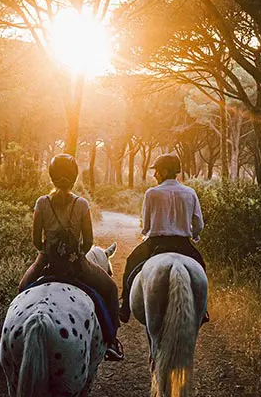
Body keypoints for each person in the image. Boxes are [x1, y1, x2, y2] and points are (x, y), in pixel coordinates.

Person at [17, 154, 125, 361]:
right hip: (77, 264)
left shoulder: (42, 202)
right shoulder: (82, 204)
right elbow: (88, 241)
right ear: (75, 177)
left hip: (46, 260)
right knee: (110, 288)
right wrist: (76, 255)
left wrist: (48, 252)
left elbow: (35, 241)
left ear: (51, 176)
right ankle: (111, 341)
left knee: (22, 289)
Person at [118, 153, 208, 324]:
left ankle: (125, 308)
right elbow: (199, 223)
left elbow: (146, 226)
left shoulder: (152, 193)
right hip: (183, 244)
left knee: (130, 263)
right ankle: (203, 310)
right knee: (201, 267)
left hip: (156, 244)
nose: (154, 175)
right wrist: (194, 235)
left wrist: (147, 231)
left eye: (157, 171)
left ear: (165, 171)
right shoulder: (190, 192)